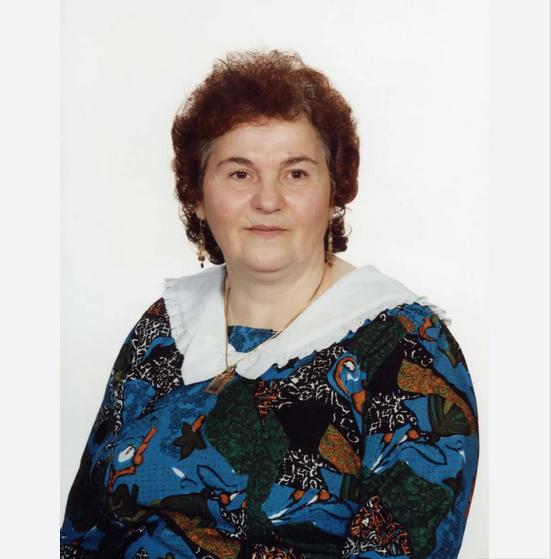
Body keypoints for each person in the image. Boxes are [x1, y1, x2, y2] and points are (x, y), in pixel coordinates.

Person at [61, 49, 479, 559]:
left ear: (334, 192)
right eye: (239, 173)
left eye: (295, 173)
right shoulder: (163, 327)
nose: (267, 200)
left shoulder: (407, 347)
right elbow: (83, 530)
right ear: (197, 196)